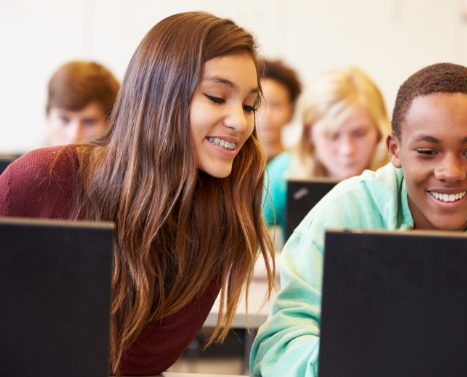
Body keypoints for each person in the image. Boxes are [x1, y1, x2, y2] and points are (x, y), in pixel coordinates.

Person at [0, 12, 275, 376]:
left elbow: (137, 362)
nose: (240, 122)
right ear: (160, 96)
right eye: (216, 96)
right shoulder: (44, 177)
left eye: (249, 105)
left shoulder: (220, 215)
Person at [250, 62, 467, 377]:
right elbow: (278, 346)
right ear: (395, 149)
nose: (450, 172)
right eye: (426, 151)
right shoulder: (347, 210)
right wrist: (357, 365)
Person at [262, 66, 391, 231]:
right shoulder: (283, 171)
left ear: (379, 131)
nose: (347, 150)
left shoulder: (400, 179)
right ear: (309, 133)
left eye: (359, 134)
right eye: (332, 136)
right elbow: (242, 247)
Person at [46, 60, 120, 145]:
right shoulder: (29, 157)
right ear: (48, 116)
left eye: (89, 121)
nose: (74, 136)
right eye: (64, 119)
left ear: (111, 124)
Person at [255, 59, 302, 161]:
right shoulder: (234, 161)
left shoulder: (298, 164)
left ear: (291, 111)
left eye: (275, 105)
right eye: (257, 104)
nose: (265, 115)